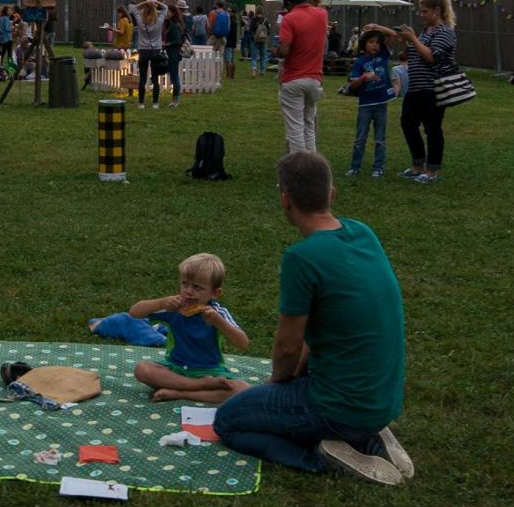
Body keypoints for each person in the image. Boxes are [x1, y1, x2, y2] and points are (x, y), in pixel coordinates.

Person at [214, 151, 411, 486]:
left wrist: (276, 385)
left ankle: (320, 456)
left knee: (229, 419)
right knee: (273, 400)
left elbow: (288, 347)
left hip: (337, 405)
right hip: (382, 397)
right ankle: (367, 437)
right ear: (332, 193)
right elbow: (315, 335)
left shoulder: (302, 258)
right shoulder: (363, 233)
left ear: (285, 200)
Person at [130, 253, 251, 405]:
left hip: (210, 371)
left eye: (197, 287)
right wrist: (161, 303)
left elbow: (243, 343)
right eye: (185, 284)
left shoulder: (217, 313)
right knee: (142, 369)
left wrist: (218, 321)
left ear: (215, 293)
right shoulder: (173, 307)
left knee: (244, 390)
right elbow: (134, 313)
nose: (189, 291)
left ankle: (180, 393)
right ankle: (200, 387)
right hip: (175, 368)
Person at [366, 0, 458, 183]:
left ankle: (432, 172)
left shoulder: (445, 32)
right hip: (416, 88)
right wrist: (379, 28)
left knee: (432, 128)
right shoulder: (427, 31)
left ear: (437, 10)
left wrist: (413, 39)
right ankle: (418, 166)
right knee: (408, 123)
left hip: (433, 89)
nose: (421, 15)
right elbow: (403, 38)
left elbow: (431, 56)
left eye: (424, 11)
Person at [276, 0, 328, 153]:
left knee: (295, 128)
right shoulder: (322, 15)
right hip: (315, 79)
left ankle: (299, 169)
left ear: (290, 3)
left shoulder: (289, 18)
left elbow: (284, 51)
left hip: (294, 78)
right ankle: (313, 166)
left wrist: (276, 51)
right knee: (309, 126)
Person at [345, 31, 394, 178]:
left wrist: (375, 26)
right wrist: (364, 77)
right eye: (371, 42)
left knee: (380, 139)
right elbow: (353, 84)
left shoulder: (383, 55)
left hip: (381, 103)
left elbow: (392, 35)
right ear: (364, 44)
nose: (375, 45)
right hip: (365, 105)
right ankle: (355, 167)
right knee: (360, 138)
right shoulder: (360, 61)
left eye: (377, 42)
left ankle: (378, 167)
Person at [130, 0, 166, 109]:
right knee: (155, 78)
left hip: (143, 50)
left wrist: (146, 2)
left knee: (142, 78)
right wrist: (156, 3)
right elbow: (165, 8)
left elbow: (133, 9)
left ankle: (141, 103)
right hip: (155, 50)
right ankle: (155, 103)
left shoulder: (140, 21)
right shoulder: (159, 20)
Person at [163, 1, 186, 108]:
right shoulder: (170, 24)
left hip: (173, 54)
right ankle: (175, 99)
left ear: (172, 13)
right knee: (173, 77)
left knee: (174, 77)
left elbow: (177, 41)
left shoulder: (174, 25)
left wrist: (167, 43)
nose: (166, 13)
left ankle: (175, 100)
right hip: (171, 53)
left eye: (167, 11)